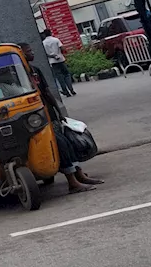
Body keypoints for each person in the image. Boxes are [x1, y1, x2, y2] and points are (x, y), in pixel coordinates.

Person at [17, 43, 102, 192]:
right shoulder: (19, 76)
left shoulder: (35, 71)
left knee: (68, 141)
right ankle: (72, 181)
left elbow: (48, 92)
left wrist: (59, 112)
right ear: (21, 56)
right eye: (28, 52)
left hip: (50, 114)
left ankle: (79, 175)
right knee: (61, 145)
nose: (32, 53)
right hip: (37, 119)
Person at [41, 30, 76, 97]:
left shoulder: (43, 43)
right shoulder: (56, 40)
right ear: (50, 33)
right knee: (66, 75)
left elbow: (45, 54)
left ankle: (66, 92)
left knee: (60, 77)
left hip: (53, 62)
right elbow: (62, 48)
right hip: (61, 60)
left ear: (44, 35)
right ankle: (71, 90)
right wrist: (63, 54)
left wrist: (52, 56)